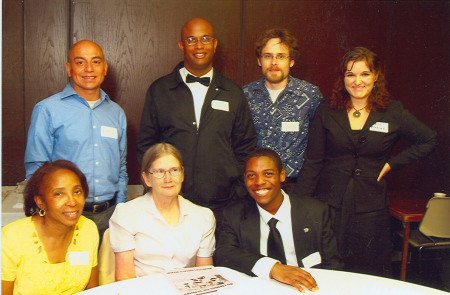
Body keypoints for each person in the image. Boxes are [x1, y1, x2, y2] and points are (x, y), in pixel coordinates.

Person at [294, 47, 438, 277]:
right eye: (350, 74)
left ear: (376, 76)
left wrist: (392, 164)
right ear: (343, 78)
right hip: (329, 207)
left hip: (370, 211)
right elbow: (313, 162)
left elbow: (429, 139)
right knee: (327, 272)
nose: (357, 81)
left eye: (364, 74)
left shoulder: (393, 111)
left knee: (368, 272)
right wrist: (298, 206)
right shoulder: (326, 110)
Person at [136, 18, 256, 224]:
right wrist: (158, 188)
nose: (199, 46)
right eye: (191, 39)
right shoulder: (160, 90)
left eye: (205, 39)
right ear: (181, 45)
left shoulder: (233, 93)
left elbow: (246, 146)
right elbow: (146, 147)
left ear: (215, 44)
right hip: (170, 204)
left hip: (224, 206)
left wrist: (235, 190)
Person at [24, 40, 128, 239]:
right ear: (69, 68)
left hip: (111, 216)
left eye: (96, 62)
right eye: (80, 62)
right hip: (64, 216)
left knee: (107, 271)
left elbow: (121, 165)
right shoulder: (47, 110)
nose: (89, 69)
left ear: (104, 68)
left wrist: (121, 207)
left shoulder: (116, 113)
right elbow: (36, 168)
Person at [214, 148, 342, 293]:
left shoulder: (315, 211)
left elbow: (333, 265)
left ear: (282, 175)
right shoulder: (233, 214)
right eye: (251, 175)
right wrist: (272, 268)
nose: (259, 182)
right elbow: (223, 254)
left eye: (268, 174)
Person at [110, 143, 215, 280]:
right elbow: (125, 277)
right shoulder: (126, 214)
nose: (168, 179)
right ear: (147, 178)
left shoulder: (204, 217)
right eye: (159, 172)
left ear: (182, 175)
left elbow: (204, 274)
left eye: (174, 170)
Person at [2, 160, 99, 294]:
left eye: (77, 191)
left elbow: (92, 290)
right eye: (59, 194)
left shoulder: (88, 229)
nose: (72, 202)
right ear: (41, 202)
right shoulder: (12, 237)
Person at [243, 28, 323, 193]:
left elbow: (320, 146)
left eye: (281, 56)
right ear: (259, 60)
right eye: (268, 56)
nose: (274, 62)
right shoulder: (245, 96)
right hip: (255, 187)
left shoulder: (309, 95)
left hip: (297, 187)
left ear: (291, 61)